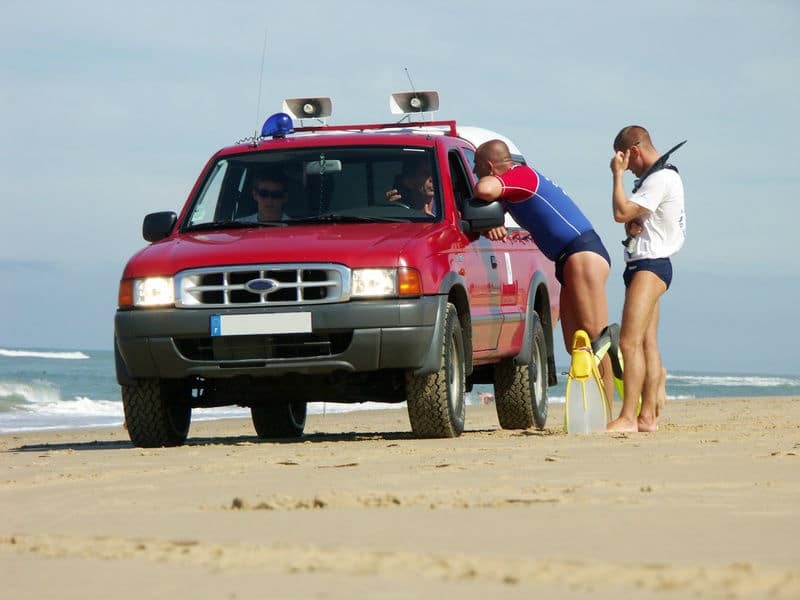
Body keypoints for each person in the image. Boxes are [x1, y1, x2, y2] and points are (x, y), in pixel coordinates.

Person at [472, 139, 614, 407]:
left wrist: (485, 185)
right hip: (567, 260)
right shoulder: (512, 186)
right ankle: (590, 407)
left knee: (596, 338)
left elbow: (484, 189)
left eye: (476, 166)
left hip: (582, 253)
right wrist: (490, 224)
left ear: (490, 166)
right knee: (576, 344)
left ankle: (610, 410)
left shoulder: (521, 175)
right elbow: (491, 211)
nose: (474, 171)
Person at [607, 126, 685, 432]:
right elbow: (635, 218)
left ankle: (628, 417)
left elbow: (620, 211)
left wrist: (616, 175)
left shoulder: (659, 178)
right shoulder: (660, 178)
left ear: (633, 151)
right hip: (651, 263)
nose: (626, 168)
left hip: (650, 266)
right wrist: (633, 225)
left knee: (628, 342)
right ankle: (648, 416)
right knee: (648, 343)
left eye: (625, 160)